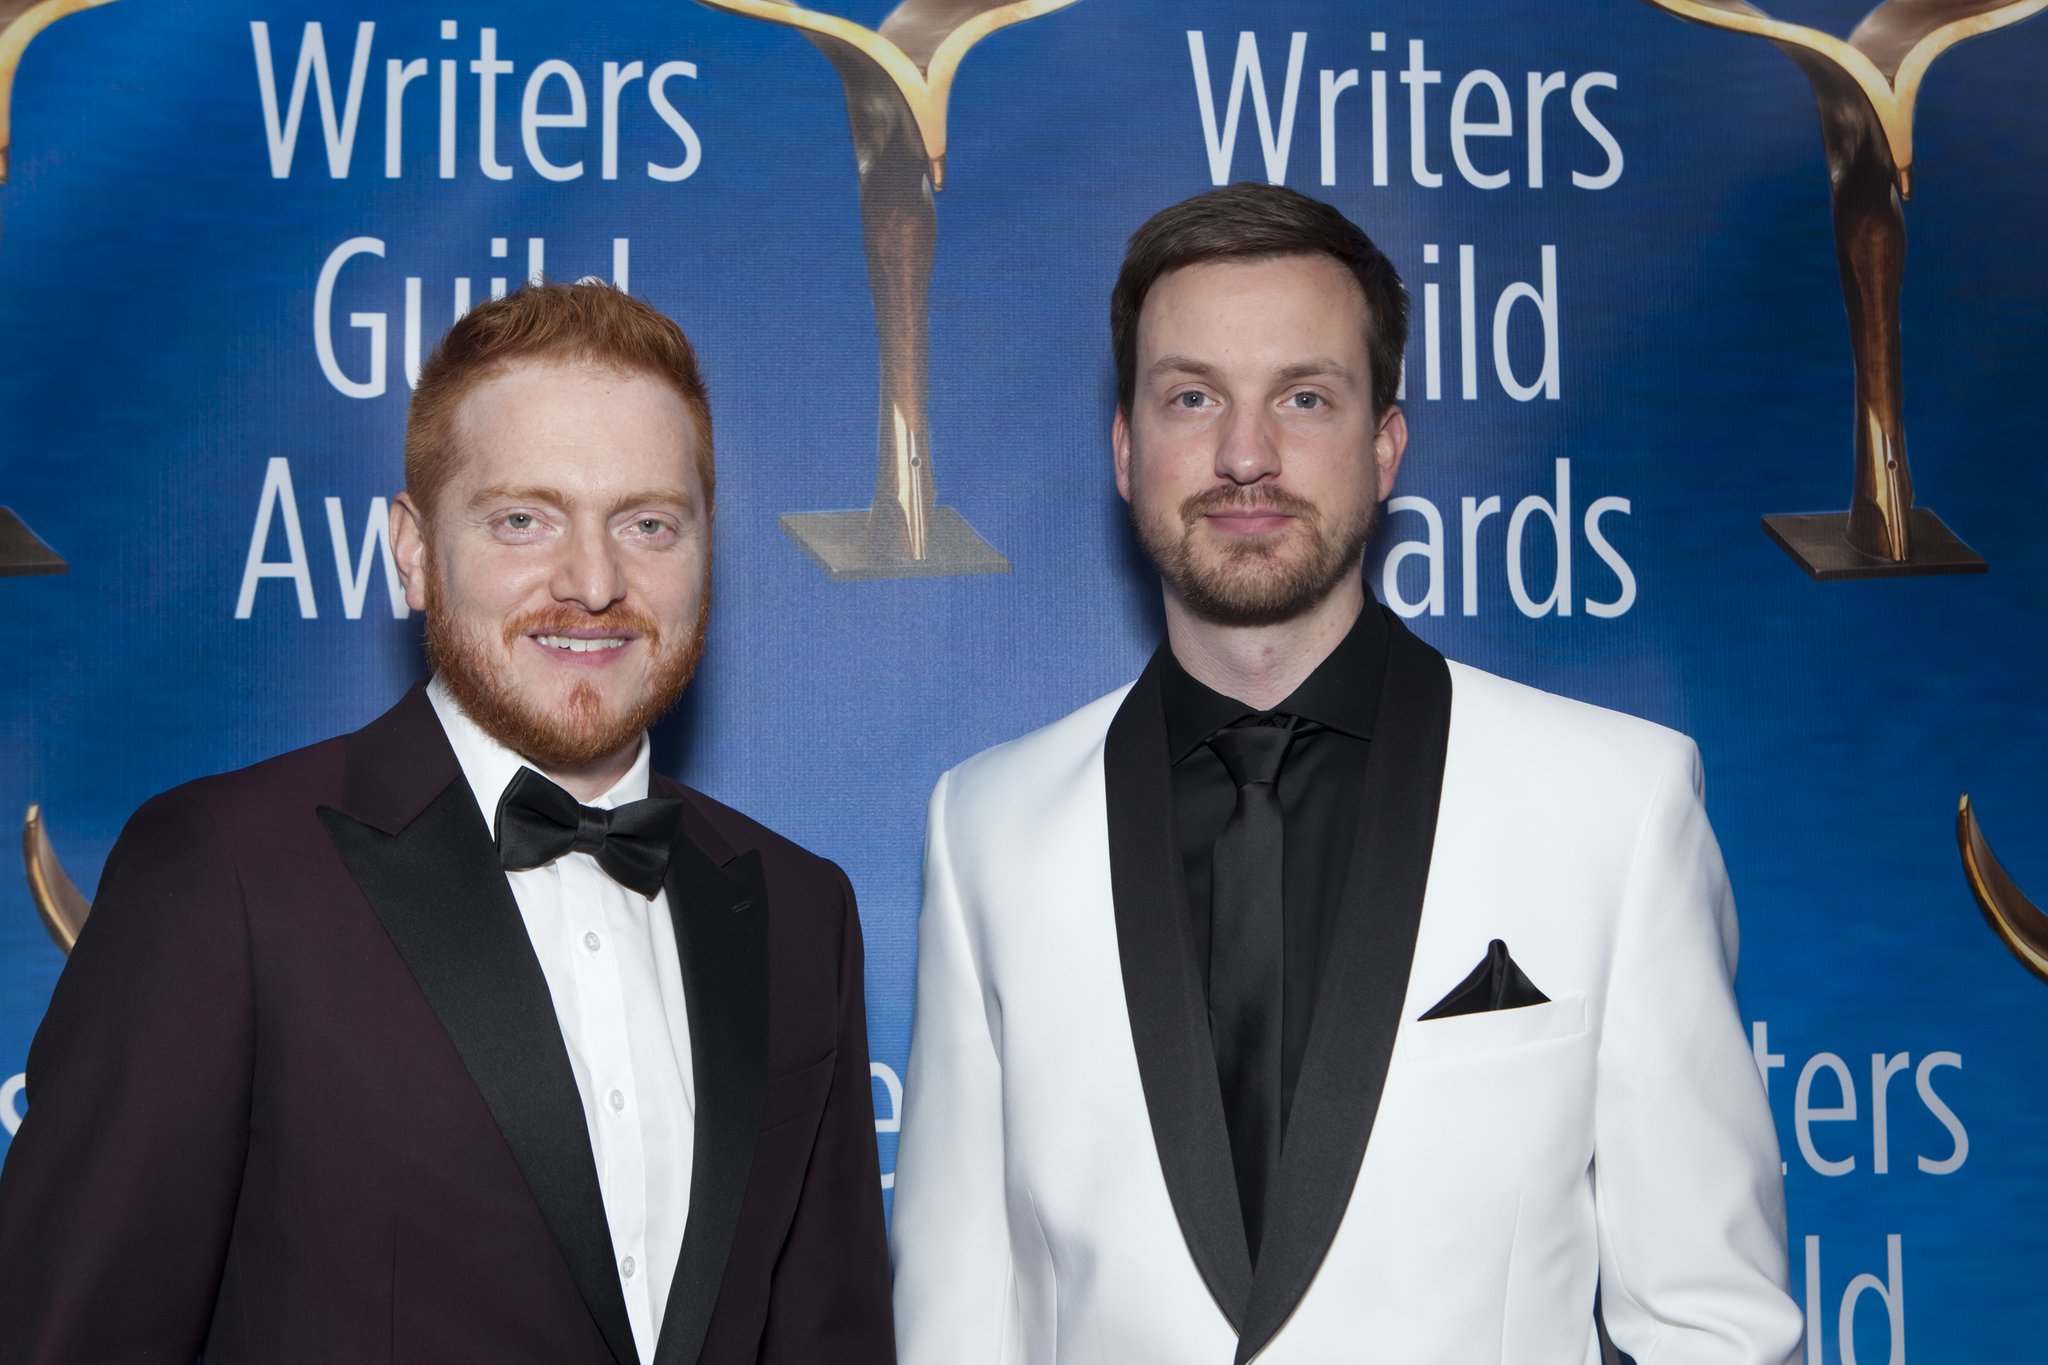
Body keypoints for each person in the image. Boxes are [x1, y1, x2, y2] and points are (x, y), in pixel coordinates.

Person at [888, 184, 1801, 1364]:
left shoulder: (1613, 806)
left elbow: (1713, 1326)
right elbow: (958, 1325)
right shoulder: (987, 828)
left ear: (1385, 446)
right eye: (1191, 397)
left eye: (1303, 398)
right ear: (1125, 448)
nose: (1244, 455)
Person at [0, 283, 895, 1365]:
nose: (594, 582)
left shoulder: (802, 911)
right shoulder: (225, 874)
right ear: (413, 550)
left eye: (647, 523)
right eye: (524, 519)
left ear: (707, 551)